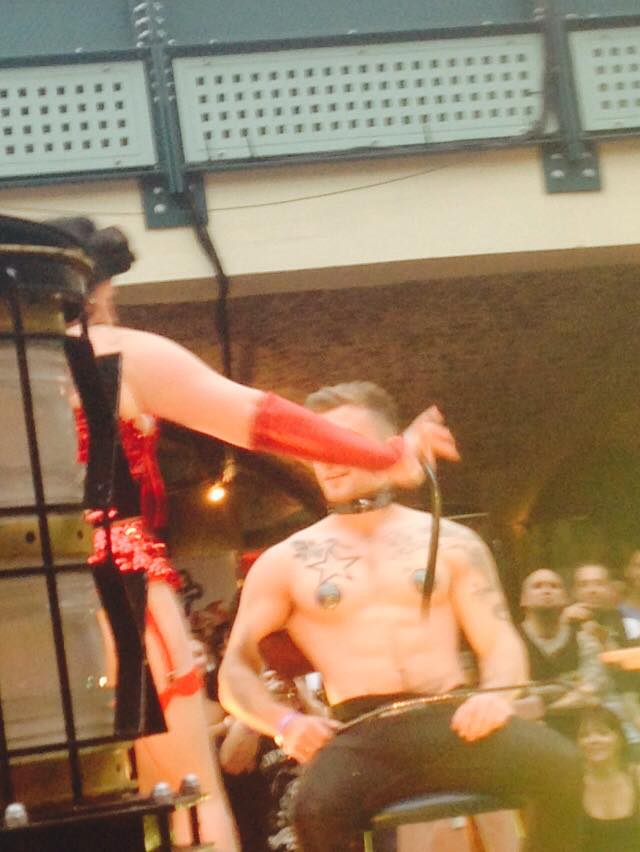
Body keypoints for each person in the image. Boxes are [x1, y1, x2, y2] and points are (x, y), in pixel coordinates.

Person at [42, 216, 459, 850]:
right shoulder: (115, 353)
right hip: (114, 589)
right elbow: (257, 419)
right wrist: (386, 454)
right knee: (187, 797)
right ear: (92, 294)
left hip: (22, 607)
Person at [218, 381, 583, 852]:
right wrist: (283, 723)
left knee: (563, 766)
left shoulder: (452, 541)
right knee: (313, 812)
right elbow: (234, 671)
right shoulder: (285, 561)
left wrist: (497, 696)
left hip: (454, 718)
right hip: (362, 734)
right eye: (317, 444)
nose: (327, 458)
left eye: (343, 442)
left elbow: (499, 641)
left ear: (387, 447)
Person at [578, 706, 640, 852]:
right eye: (584, 735)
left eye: (603, 733)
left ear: (619, 739)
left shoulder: (637, 777)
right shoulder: (572, 784)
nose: (593, 740)